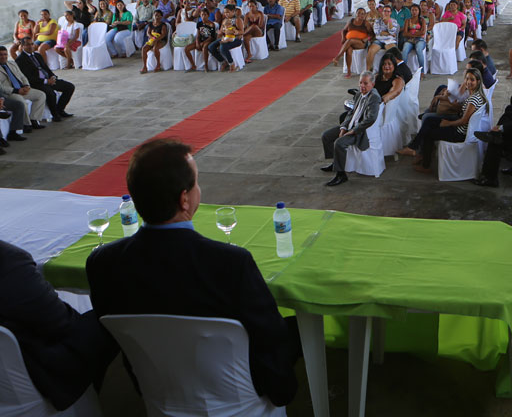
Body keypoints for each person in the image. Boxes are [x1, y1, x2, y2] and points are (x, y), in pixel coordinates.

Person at [86, 139, 301, 407]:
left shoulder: (103, 263)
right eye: (196, 182)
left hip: (160, 394)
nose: (199, 189)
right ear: (184, 199)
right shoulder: (230, 263)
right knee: (294, 329)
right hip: (239, 399)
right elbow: (268, 338)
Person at [0, 240, 117, 410]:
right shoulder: (8, 261)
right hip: (38, 373)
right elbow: (63, 324)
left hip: (11, 376)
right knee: (113, 312)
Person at [399, 68, 487, 171]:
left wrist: (448, 123)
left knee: (429, 133)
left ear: (478, 81)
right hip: (461, 127)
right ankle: (415, 148)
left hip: (459, 133)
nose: (468, 82)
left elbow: (464, 120)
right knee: (429, 121)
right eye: (467, 79)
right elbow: (463, 111)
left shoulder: (473, 99)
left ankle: (425, 164)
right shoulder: (476, 95)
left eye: (472, 80)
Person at [320, 72, 383, 187]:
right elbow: (350, 112)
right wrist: (343, 127)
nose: (362, 86)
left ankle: (341, 174)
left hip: (359, 131)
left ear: (372, 84)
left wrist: (354, 130)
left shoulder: (374, 97)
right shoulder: (359, 94)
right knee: (326, 136)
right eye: (360, 83)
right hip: (350, 126)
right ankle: (336, 163)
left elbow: (371, 118)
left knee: (339, 143)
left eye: (365, 83)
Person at [14, 37, 75, 120]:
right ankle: (55, 114)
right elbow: (28, 77)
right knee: (50, 93)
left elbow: (46, 68)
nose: (31, 46)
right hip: (36, 83)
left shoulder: (37, 55)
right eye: (27, 44)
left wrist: (52, 77)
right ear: (22, 46)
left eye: (32, 44)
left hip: (48, 79)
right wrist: (46, 81)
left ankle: (60, 109)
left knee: (69, 87)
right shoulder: (20, 60)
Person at [0, 45, 48, 130]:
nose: (3, 57)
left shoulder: (12, 63)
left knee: (41, 95)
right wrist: (17, 90)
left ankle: (34, 119)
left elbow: (22, 76)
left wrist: (26, 86)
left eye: (5, 54)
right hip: (10, 93)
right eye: (1, 55)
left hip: (22, 89)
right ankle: (26, 124)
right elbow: (1, 87)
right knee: (21, 102)